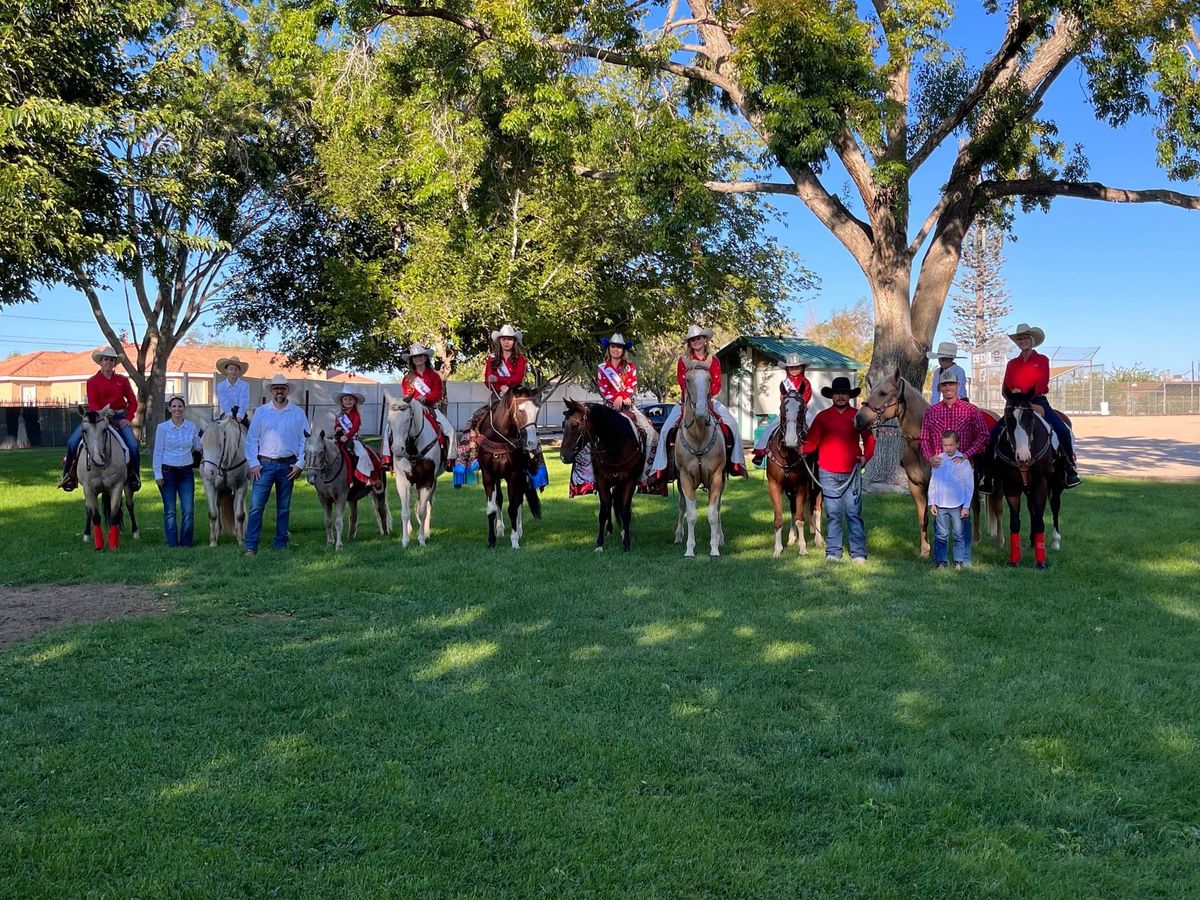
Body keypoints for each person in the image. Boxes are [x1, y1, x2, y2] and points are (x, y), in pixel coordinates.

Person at [980, 322, 1081, 492]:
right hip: (1014, 404)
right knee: (994, 434)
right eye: (1020, 338)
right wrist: (1014, 396)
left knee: (1062, 430)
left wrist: (1026, 396)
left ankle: (1070, 468)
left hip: (1037, 401)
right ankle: (987, 476)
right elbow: (1006, 386)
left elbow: (1041, 382)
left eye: (1026, 337)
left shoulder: (1042, 360)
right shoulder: (1012, 363)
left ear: (1032, 340)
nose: (1023, 341)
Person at [453, 324, 548, 490]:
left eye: (510, 339)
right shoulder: (492, 358)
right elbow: (487, 378)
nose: (507, 342)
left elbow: (517, 378)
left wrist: (500, 382)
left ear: (514, 341)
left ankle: (537, 466)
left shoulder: (520, 359)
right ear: (499, 341)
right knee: (472, 423)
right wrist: (495, 383)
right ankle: (466, 461)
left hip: (516, 397)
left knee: (529, 426)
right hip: (495, 397)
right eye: (504, 339)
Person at [648, 324, 748, 480]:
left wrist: (706, 396)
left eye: (699, 338)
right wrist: (692, 398)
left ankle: (736, 463)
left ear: (705, 340)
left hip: (710, 401)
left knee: (733, 425)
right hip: (687, 402)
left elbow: (716, 383)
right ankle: (661, 468)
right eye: (693, 339)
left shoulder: (713, 360)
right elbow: (682, 382)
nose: (696, 342)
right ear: (689, 343)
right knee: (666, 429)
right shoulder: (683, 360)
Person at [801, 376, 876, 563]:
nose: (840, 397)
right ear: (832, 396)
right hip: (828, 472)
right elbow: (812, 442)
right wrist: (802, 449)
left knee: (853, 513)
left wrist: (866, 457)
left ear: (849, 396)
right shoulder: (822, 417)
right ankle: (833, 552)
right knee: (833, 514)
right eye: (837, 393)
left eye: (844, 393)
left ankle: (858, 553)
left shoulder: (858, 416)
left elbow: (869, 440)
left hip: (851, 471)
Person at [58, 346, 141, 492]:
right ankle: (68, 475)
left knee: (133, 445)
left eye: (111, 360)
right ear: (100, 362)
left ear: (115, 363)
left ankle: (134, 476)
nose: (108, 362)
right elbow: (93, 403)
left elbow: (133, 402)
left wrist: (128, 418)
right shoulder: (92, 381)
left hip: (119, 417)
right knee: (72, 442)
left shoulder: (122, 380)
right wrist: (102, 415)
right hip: (96, 418)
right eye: (106, 359)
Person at [244, 374, 308, 556]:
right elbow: (251, 440)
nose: (279, 391)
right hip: (264, 465)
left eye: (282, 388)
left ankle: (281, 543)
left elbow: (305, 440)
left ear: (287, 390)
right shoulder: (262, 412)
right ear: (271, 390)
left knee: (284, 507)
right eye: (276, 388)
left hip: (288, 466)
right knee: (256, 506)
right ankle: (251, 545)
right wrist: (254, 463)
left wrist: (300, 464)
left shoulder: (297, 413)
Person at [382, 343, 455, 465]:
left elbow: (438, 393)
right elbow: (406, 394)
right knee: (389, 428)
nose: (418, 359)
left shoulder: (434, 376)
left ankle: (450, 458)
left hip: (430, 407)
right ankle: (387, 457)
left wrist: (425, 397)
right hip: (412, 409)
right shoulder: (407, 378)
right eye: (415, 357)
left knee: (449, 429)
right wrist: (415, 400)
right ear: (412, 360)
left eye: (420, 356)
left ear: (425, 358)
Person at [153, 395, 202, 547]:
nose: (177, 409)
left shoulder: (191, 427)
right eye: (174, 406)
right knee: (170, 511)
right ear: (169, 409)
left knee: (188, 510)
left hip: (186, 473)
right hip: (168, 472)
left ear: (184, 409)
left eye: (180, 406)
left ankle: (186, 543)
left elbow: (198, 447)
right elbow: (158, 452)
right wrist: (157, 474)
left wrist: (204, 435)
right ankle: (172, 543)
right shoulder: (162, 428)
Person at [751, 352, 814, 466]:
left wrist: (800, 404)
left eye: (797, 367)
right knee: (771, 427)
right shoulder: (785, 383)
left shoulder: (805, 382)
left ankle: (816, 452)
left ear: (801, 368)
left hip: (802, 410)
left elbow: (807, 395)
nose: (794, 370)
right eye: (791, 368)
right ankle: (760, 452)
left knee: (813, 425)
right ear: (787, 369)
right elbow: (783, 397)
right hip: (788, 411)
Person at [919, 369, 988, 465]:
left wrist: (967, 454)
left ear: (957, 386)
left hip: (964, 465)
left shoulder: (971, 410)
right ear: (940, 388)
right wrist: (929, 457)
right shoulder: (931, 412)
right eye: (944, 385)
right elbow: (924, 439)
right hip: (939, 466)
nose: (948, 388)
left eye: (951, 384)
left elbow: (983, 435)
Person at [928, 429, 974, 569]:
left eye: (951, 445)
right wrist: (932, 502)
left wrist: (966, 505)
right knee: (941, 534)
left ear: (957, 444)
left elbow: (969, 485)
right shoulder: (938, 461)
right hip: (941, 505)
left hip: (957, 505)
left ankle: (959, 560)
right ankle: (941, 561)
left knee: (958, 533)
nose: (948, 448)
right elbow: (933, 483)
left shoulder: (963, 462)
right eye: (945, 445)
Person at [333, 387, 378, 486]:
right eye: (345, 399)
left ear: (355, 401)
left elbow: (355, 428)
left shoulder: (356, 414)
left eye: (350, 399)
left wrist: (347, 436)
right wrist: (337, 428)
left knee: (362, 455)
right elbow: (336, 424)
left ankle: (362, 476)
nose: (348, 401)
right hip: (339, 439)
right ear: (341, 401)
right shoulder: (339, 415)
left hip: (353, 439)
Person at [214, 355, 251, 427]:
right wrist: (229, 414)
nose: (233, 371)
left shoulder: (244, 385)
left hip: (241, 414)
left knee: (250, 432)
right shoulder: (221, 386)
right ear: (226, 370)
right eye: (231, 369)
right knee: (212, 430)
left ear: (239, 371)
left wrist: (240, 415)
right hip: (226, 413)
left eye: (236, 369)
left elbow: (244, 400)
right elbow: (224, 401)